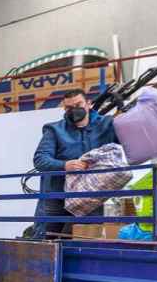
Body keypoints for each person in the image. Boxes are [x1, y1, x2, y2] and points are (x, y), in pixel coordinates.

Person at [32, 89, 118, 238]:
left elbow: (128, 147)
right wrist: (64, 165)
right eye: (69, 108)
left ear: (89, 104)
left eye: (78, 104)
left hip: (90, 198)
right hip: (57, 197)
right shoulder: (54, 130)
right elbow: (40, 159)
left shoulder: (107, 125)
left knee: (83, 241)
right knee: (46, 240)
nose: (74, 110)